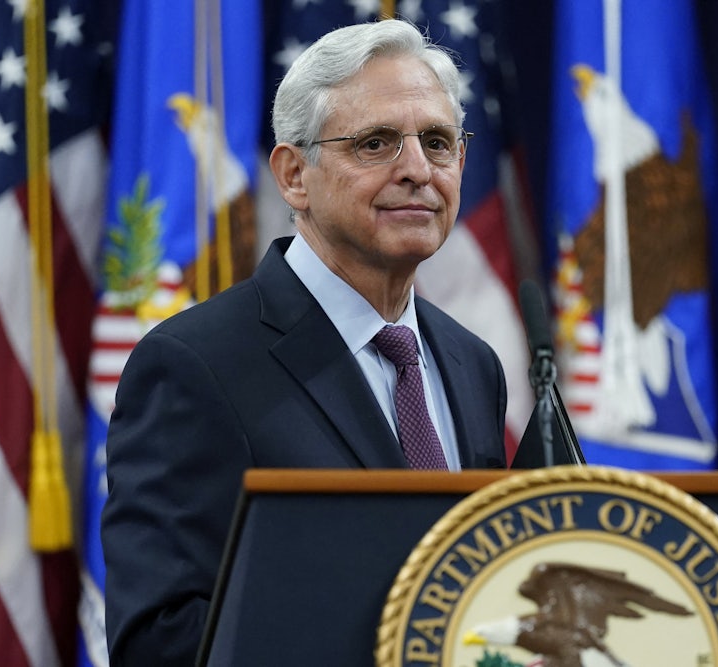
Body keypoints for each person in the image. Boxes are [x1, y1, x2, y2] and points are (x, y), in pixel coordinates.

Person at [100, 19, 508, 666]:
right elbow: (160, 638)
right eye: (376, 143)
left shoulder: (470, 362)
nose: (416, 170)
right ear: (294, 175)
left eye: (437, 141)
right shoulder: (196, 365)